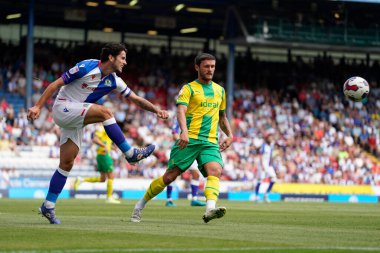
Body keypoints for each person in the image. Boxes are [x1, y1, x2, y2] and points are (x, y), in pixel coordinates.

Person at [27, 43, 169, 224]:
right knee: (105, 112)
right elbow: (55, 84)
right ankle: (130, 153)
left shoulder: (115, 80)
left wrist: (156, 110)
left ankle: (48, 205)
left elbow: (135, 99)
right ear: (111, 57)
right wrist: (38, 106)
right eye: (123, 58)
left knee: (67, 163)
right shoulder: (86, 66)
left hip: (75, 115)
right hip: (63, 107)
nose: (125, 62)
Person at [130, 53, 233, 223]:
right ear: (197, 67)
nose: (210, 70)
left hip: (209, 141)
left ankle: (209, 209)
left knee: (215, 170)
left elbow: (222, 117)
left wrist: (229, 135)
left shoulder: (220, 90)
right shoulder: (189, 89)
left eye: (213, 66)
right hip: (189, 140)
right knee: (170, 176)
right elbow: (180, 111)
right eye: (206, 66)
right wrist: (183, 132)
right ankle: (140, 204)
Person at [74, 124, 120, 204]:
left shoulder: (107, 129)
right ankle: (109, 197)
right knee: (111, 176)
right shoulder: (102, 128)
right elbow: (95, 139)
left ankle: (81, 179)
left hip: (102, 155)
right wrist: (104, 145)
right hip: (104, 155)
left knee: (103, 179)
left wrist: (112, 148)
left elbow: (105, 142)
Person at [165, 119, 206, 207]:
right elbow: (174, 134)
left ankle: (194, 199)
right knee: (172, 175)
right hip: (180, 151)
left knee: (196, 174)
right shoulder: (180, 120)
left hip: (191, 151)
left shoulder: (194, 119)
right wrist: (182, 143)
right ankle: (169, 200)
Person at [254, 133, 277, 203]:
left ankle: (266, 194)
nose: (271, 138)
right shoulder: (264, 146)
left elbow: (270, 156)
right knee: (260, 180)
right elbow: (260, 156)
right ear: (266, 138)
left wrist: (271, 164)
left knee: (274, 179)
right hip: (263, 165)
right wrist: (262, 166)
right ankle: (257, 196)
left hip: (269, 166)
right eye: (269, 137)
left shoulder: (271, 146)